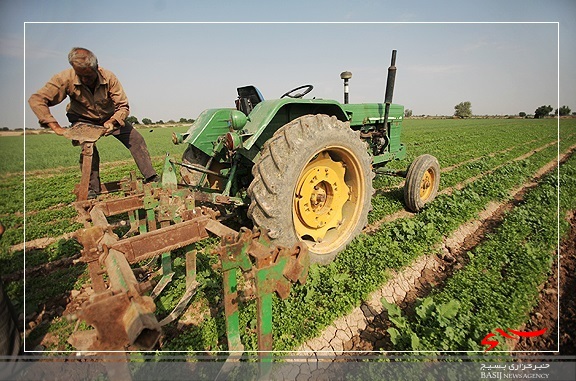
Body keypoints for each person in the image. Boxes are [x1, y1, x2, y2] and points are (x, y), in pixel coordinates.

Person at [28, 47, 159, 198]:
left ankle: (151, 177)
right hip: (82, 119)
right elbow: (37, 100)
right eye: (81, 76)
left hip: (110, 117)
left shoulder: (109, 77)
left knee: (136, 139)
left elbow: (122, 105)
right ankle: (91, 190)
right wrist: (54, 125)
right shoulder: (64, 78)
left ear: (96, 68)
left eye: (89, 76)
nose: (85, 80)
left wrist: (112, 121)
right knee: (88, 150)